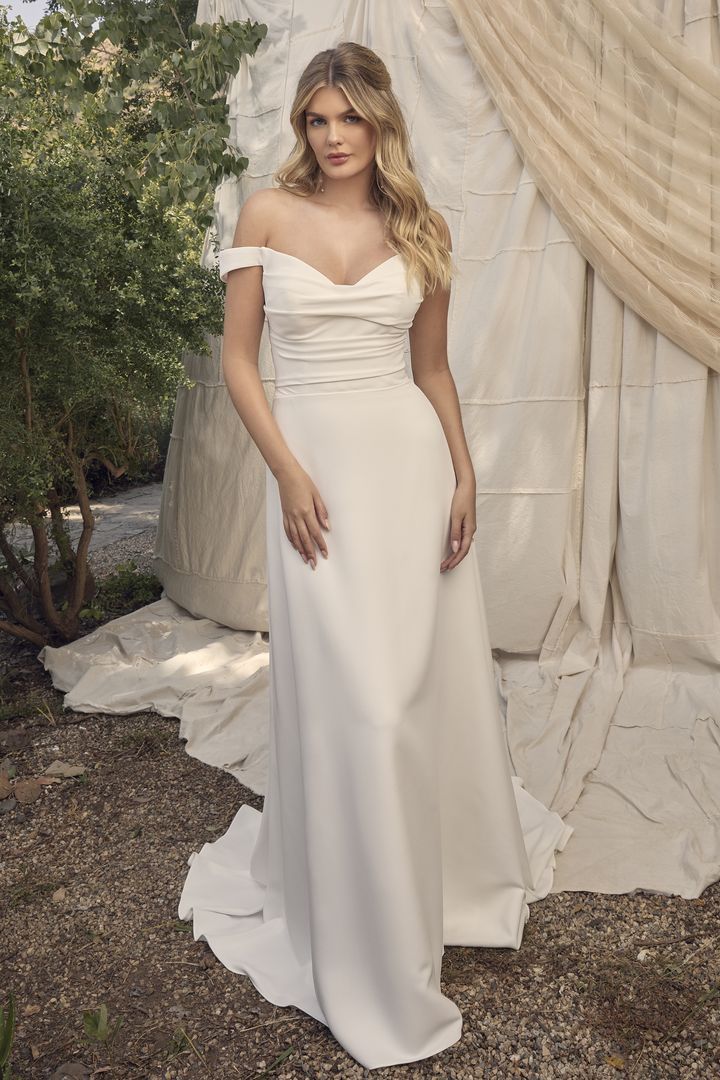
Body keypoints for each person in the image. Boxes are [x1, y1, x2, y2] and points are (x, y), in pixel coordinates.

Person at [178, 41, 571, 1072]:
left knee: (406, 693)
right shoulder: (268, 213)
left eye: (349, 118)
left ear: (381, 122)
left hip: (407, 472)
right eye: (317, 119)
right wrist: (288, 473)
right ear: (302, 127)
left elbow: (431, 368)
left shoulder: (423, 226)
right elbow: (238, 357)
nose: (334, 137)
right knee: (355, 698)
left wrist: (465, 472)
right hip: (315, 483)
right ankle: (355, 920)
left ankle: (420, 888)